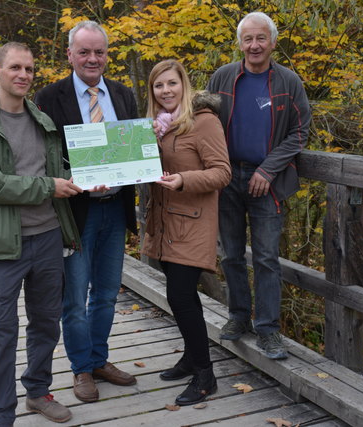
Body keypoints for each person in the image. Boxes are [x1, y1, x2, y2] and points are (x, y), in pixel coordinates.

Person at [0, 42, 82, 426]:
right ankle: (0, 415)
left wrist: (97, 174)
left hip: (47, 238)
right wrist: (49, 186)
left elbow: (60, 165)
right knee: (1, 334)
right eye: (15, 68)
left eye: (28, 69)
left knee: (47, 322)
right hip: (2, 246)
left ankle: (38, 391)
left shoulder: (41, 120)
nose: (23, 75)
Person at [33, 21, 139, 403]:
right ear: (70, 55)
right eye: (85, 52)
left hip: (116, 209)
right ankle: (80, 368)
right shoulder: (49, 97)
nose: (93, 59)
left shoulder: (124, 95)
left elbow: (135, 149)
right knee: (75, 297)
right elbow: (41, 157)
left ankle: (98, 359)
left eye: (100, 52)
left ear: (107, 55)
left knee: (108, 293)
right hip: (76, 213)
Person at [207, 12, 311, 359]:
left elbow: (300, 132)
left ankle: (268, 330)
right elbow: (203, 122)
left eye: (260, 38)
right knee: (231, 254)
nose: (254, 45)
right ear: (240, 43)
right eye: (248, 39)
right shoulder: (222, 77)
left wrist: (268, 170)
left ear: (272, 42)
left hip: (267, 181)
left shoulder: (288, 82)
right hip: (226, 178)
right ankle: (238, 318)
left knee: (266, 258)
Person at [142, 59, 231, 405]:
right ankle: (192, 357)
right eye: (158, 86)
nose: (165, 91)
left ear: (185, 86)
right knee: (182, 296)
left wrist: (183, 180)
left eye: (171, 84)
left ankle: (205, 374)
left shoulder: (203, 122)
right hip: (165, 222)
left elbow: (222, 172)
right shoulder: (159, 126)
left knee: (180, 295)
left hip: (192, 221)